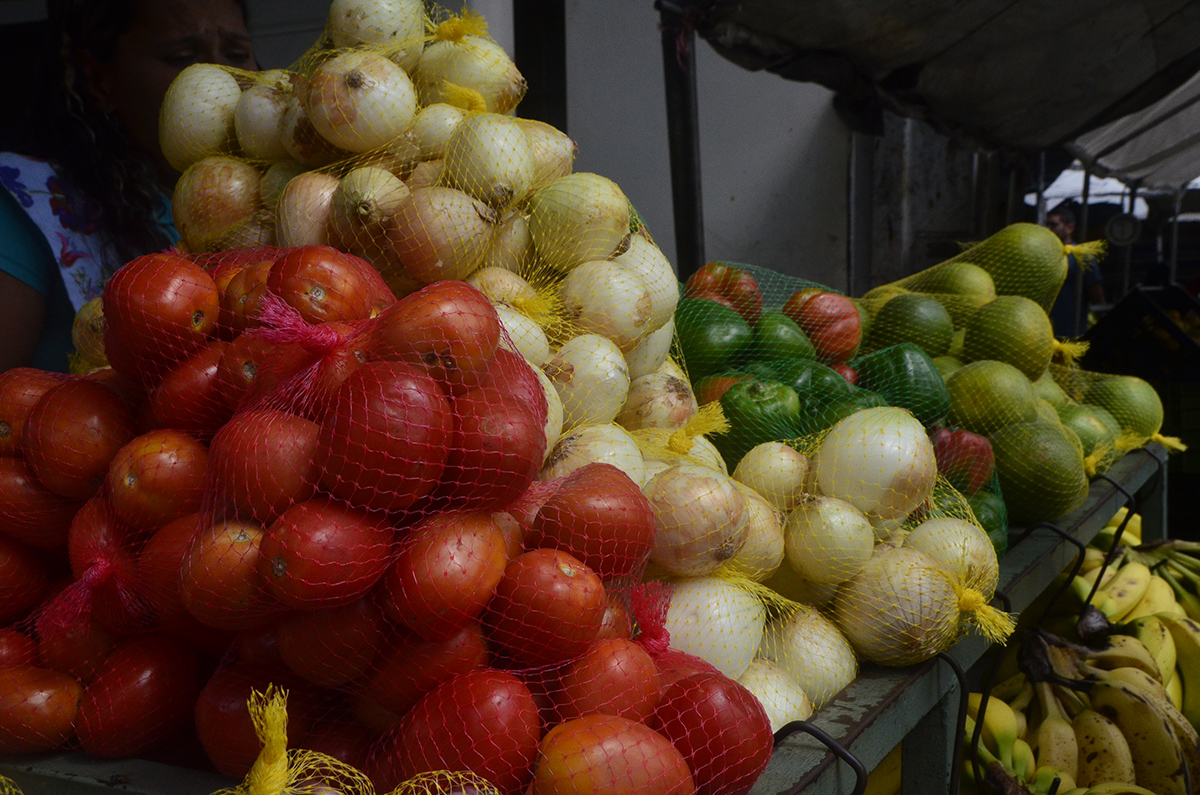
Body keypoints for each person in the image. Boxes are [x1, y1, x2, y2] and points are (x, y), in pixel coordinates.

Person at [0, 0, 257, 373]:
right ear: (98, 79)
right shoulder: (26, 205)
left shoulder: (272, 204)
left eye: (238, 53)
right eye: (181, 57)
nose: (222, 81)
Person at [1046, 204, 1106, 339]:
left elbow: (1096, 293)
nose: (1047, 229)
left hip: (1072, 334)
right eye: (1046, 225)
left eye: (1053, 225)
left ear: (1070, 228)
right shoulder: (1046, 255)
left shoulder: (1082, 256)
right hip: (1046, 333)